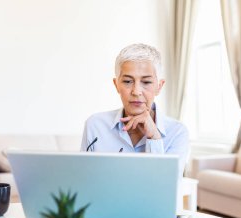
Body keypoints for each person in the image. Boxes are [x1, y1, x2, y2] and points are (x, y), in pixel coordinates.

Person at [81, 43, 189, 171]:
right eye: (127, 81)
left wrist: (154, 138)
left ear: (159, 86)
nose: (136, 91)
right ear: (116, 85)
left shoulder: (177, 132)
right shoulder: (95, 125)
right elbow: (83, 179)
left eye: (146, 82)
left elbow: (166, 187)